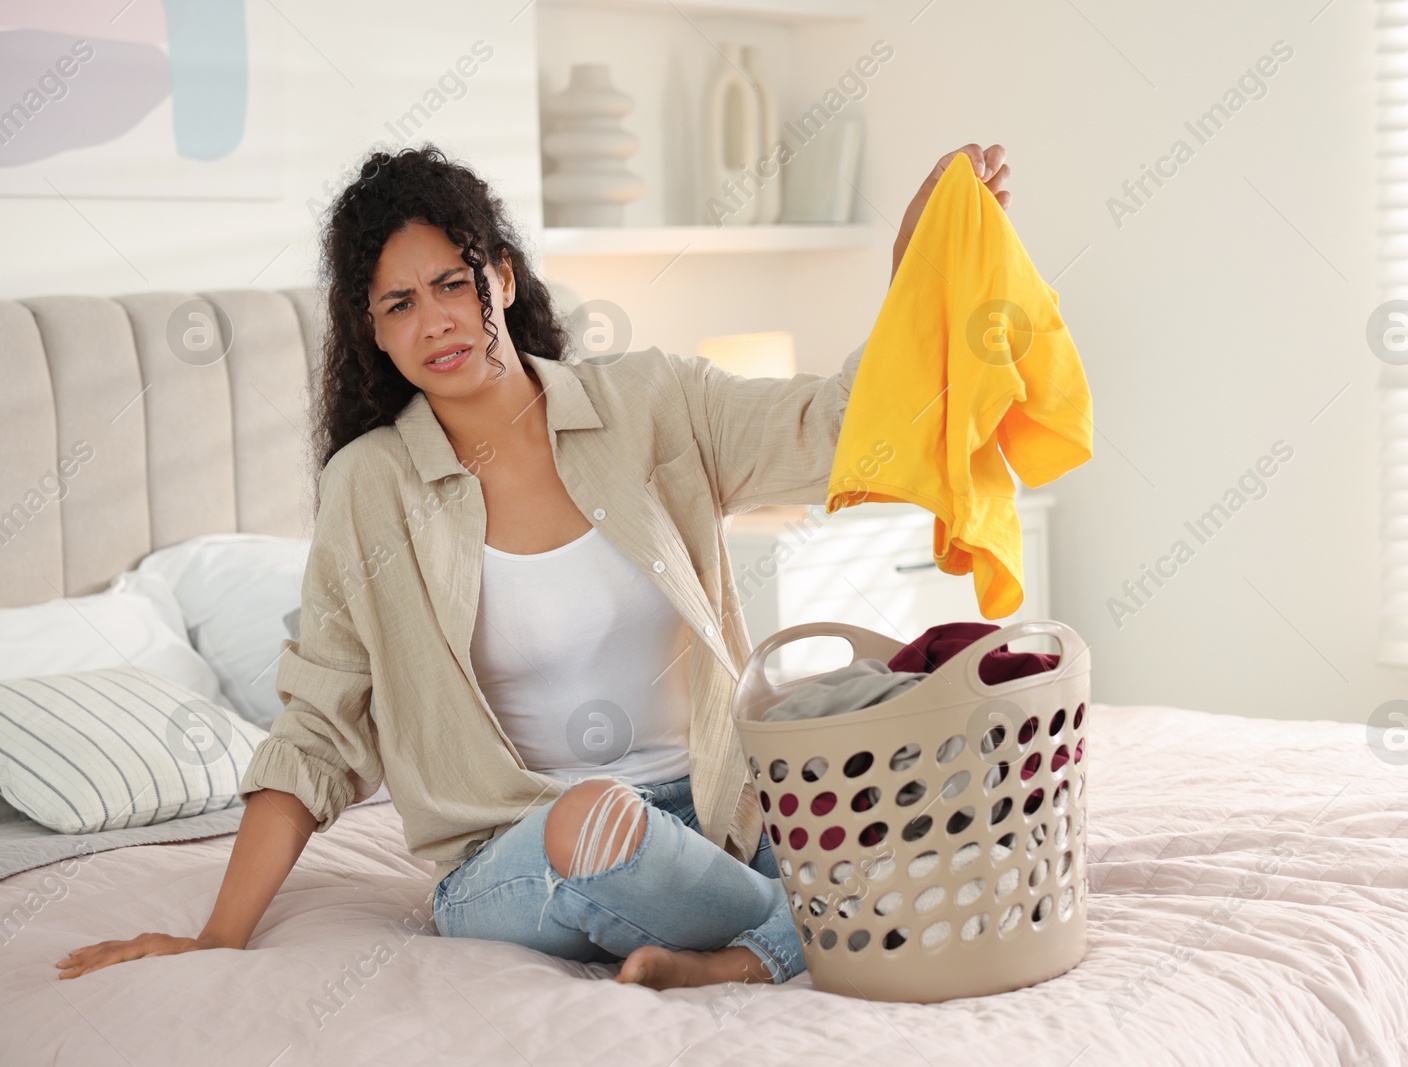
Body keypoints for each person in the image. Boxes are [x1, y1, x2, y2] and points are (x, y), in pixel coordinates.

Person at [55, 140, 1013, 988]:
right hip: (522, 848)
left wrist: (909, 271)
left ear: (501, 280)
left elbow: (840, 428)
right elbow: (318, 732)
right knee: (594, 821)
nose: (434, 319)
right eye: (398, 303)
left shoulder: (651, 403)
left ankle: (752, 946)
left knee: (921, 745)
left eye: (452, 282)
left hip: (726, 809)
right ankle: (824, 923)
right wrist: (217, 935)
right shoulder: (369, 488)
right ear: (374, 333)